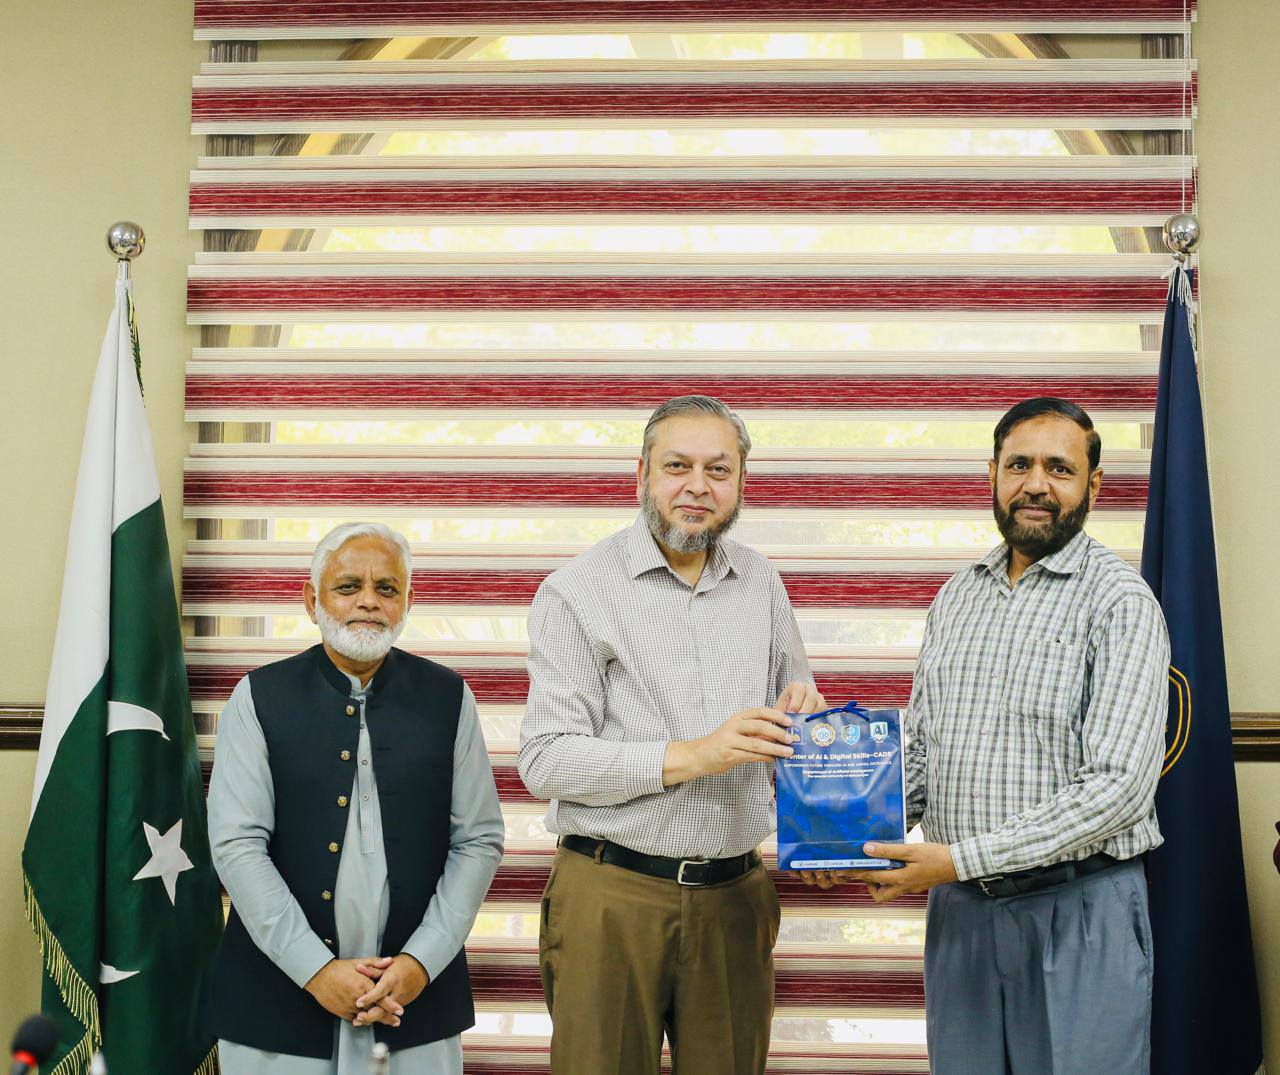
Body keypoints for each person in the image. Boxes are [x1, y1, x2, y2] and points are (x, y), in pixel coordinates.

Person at [821, 397, 1170, 1073]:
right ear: (992, 474)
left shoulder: (1122, 601)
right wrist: (846, 835)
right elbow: (922, 756)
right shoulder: (956, 597)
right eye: (1019, 465)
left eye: (1059, 468)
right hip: (963, 918)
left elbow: (1119, 788)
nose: (1036, 483)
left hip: (1079, 911)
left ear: (1094, 485)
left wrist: (960, 859)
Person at [519, 395, 824, 1075]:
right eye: (677, 466)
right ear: (642, 474)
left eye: (718, 469)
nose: (697, 486)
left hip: (736, 897)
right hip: (611, 895)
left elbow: (794, 718)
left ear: (740, 481)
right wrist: (695, 755)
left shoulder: (762, 582)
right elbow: (545, 759)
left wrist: (810, 726)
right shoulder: (576, 591)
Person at [205, 522, 504, 1074]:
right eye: (348, 587)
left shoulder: (448, 697)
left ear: (408, 602)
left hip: (414, 998)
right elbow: (237, 846)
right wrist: (316, 970)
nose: (368, 601)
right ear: (311, 600)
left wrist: (420, 962)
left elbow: (479, 840)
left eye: (386, 588)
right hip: (277, 999)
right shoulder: (258, 697)